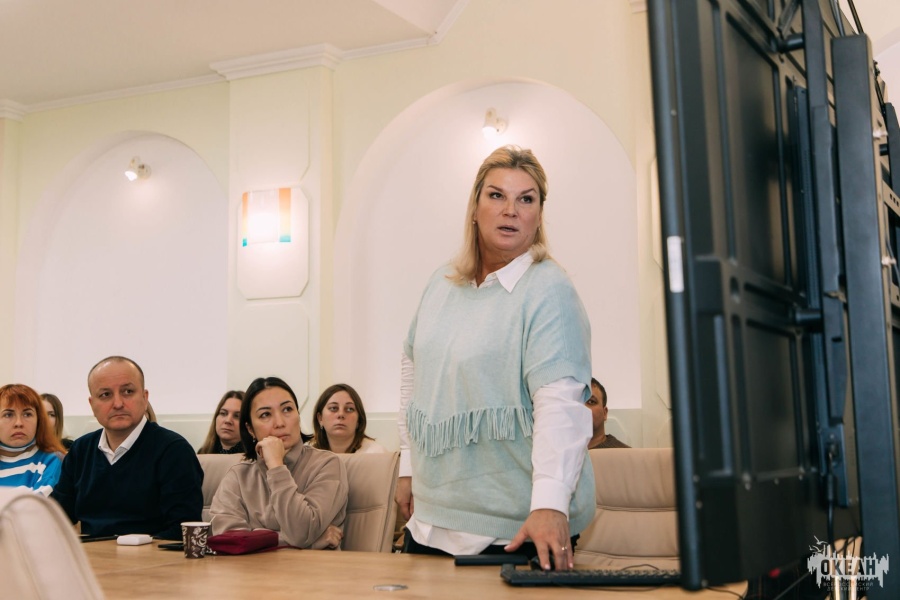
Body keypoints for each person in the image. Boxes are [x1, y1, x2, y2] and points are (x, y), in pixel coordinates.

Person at [396, 145, 595, 571]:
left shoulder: (549, 289)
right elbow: (414, 371)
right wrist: (407, 466)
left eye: (526, 199)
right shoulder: (441, 283)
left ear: (539, 216)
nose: (511, 210)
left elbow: (560, 403)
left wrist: (550, 504)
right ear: (474, 207)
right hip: (428, 522)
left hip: (512, 531)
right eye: (497, 195)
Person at [50, 356, 203, 539]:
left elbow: (182, 531)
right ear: (92, 405)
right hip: (91, 554)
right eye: (105, 395)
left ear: (145, 398)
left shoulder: (174, 451)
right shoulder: (81, 450)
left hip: (150, 555)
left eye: (128, 392)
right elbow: (54, 517)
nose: (118, 403)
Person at [209, 376, 349, 549]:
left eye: (287, 409)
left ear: (298, 415)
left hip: (313, 566)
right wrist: (313, 541)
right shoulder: (238, 476)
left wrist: (276, 466)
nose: (280, 423)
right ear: (250, 429)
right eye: (265, 414)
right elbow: (231, 541)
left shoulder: (327, 464)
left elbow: (301, 532)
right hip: (249, 567)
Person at [0, 384, 65, 496]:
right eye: (8, 415)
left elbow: (34, 505)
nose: (19, 423)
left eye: (27, 414)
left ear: (39, 420)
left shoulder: (51, 460)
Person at [311, 383, 386, 454]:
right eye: (333, 408)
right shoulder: (308, 455)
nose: (341, 414)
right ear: (320, 418)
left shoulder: (377, 453)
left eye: (349, 409)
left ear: (358, 420)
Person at [197, 390, 246, 454]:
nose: (228, 420)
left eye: (237, 416)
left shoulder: (256, 457)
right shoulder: (202, 453)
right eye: (223, 413)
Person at [586, 378, 630, 449]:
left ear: (605, 413)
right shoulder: (565, 453)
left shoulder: (626, 454)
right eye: (576, 402)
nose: (583, 407)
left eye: (591, 401)